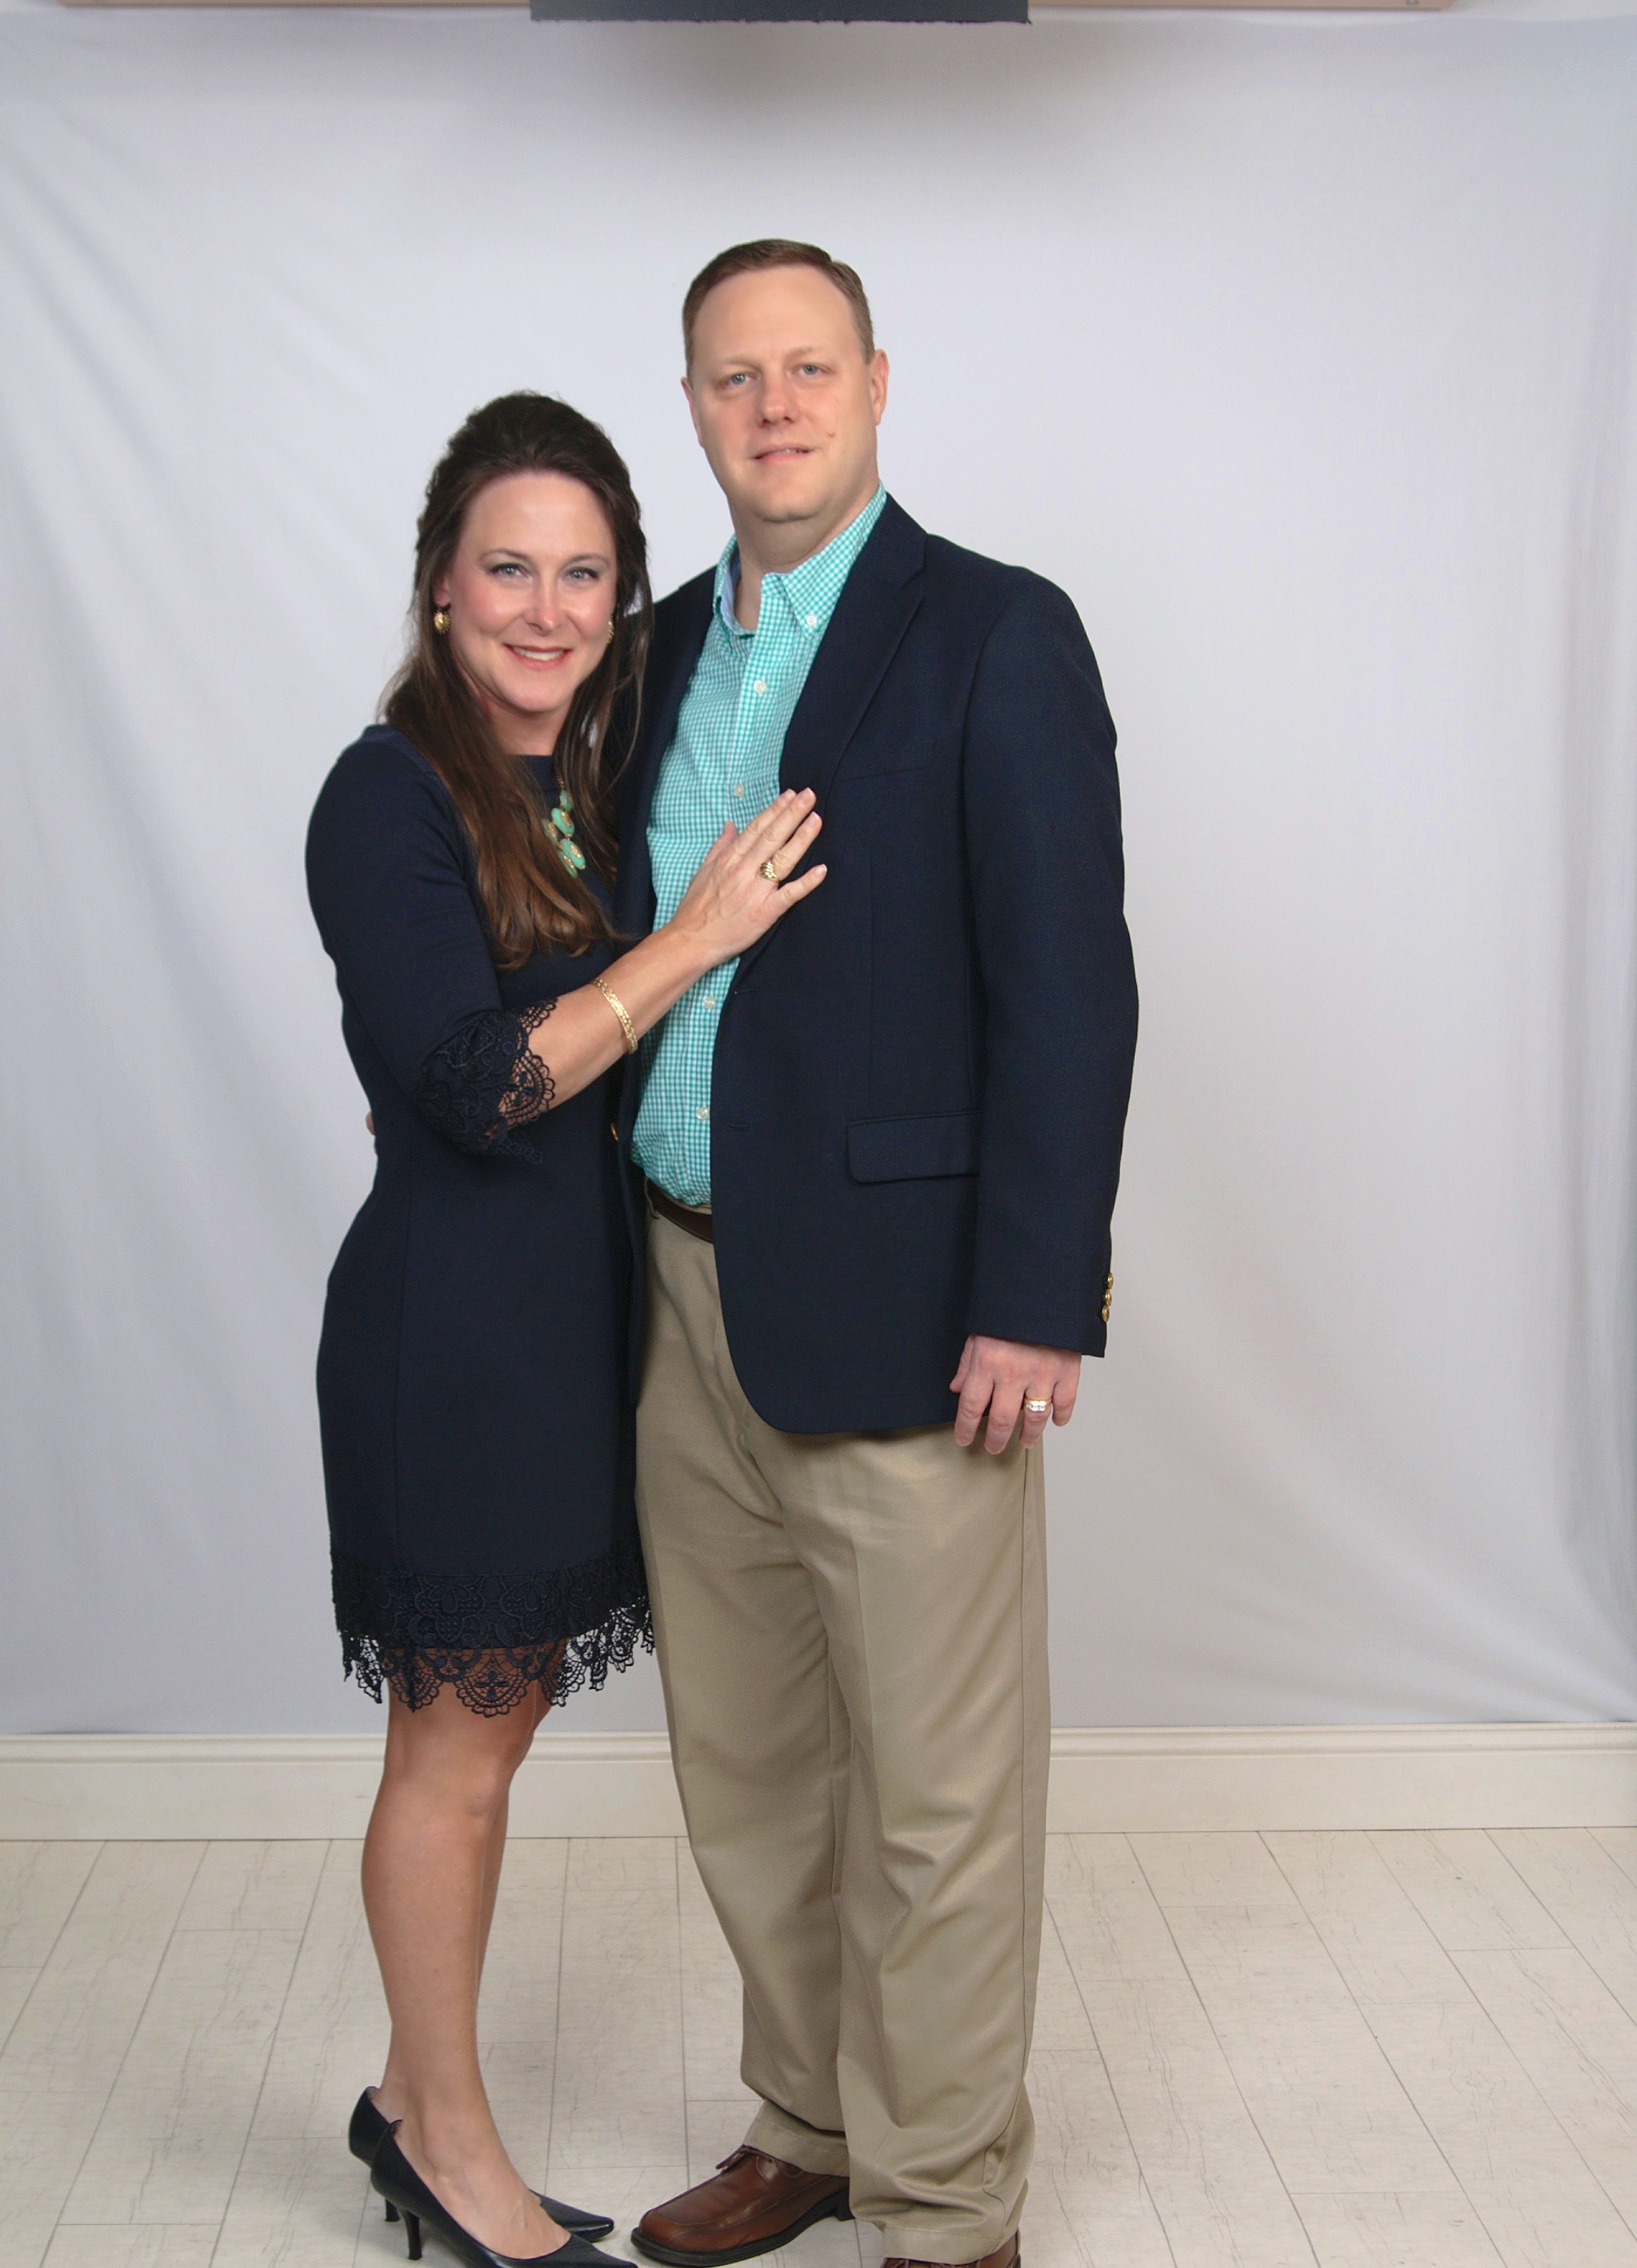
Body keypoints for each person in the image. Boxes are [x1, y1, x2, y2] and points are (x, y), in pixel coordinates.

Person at [617, 247, 1138, 2268]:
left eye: (808, 367)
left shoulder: (997, 631)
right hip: (678, 1295)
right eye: (734, 376)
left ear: (877, 382)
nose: (775, 406)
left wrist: (1035, 1294)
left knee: (937, 1797)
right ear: (692, 404)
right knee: (751, 1773)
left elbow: (1069, 984)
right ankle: (813, 2125)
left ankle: (944, 2202)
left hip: (920, 1314)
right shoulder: (654, 652)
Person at [305, 391, 827, 2268]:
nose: (546, 609)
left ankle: (411, 2096)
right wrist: (691, 942)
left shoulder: (572, 785)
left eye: (584, 574)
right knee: (451, 1760)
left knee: (490, 1742)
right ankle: (441, 2142)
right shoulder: (387, 794)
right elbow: (475, 1082)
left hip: (564, 1330)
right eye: (508, 570)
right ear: (441, 588)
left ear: (623, 598)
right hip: (453, 1342)